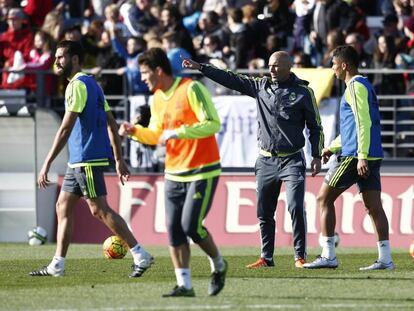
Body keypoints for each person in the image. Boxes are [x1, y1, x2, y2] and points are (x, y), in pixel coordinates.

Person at [182, 51, 324, 269]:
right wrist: (201, 67)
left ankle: (299, 256)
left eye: (276, 66)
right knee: (264, 213)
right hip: (265, 161)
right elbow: (230, 78)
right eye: (270, 66)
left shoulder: (303, 92)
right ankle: (266, 257)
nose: (272, 70)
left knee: (295, 207)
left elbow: (315, 126)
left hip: (292, 160)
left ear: (288, 66)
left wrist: (316, 154)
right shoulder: (260, 87)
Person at [29, 40, 153, 278]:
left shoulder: (76, 85)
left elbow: (65, 128)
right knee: (62, 206)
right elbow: (111, 123)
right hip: (78, 160)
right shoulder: (92, 84)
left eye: (61, 57)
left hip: (86, 159)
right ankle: (57, 264)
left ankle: (140, 253)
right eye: (56, 57)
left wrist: (46, 163)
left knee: (99, 210)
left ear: (75, 59)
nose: (56, 61)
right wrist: (119, 159)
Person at [118, 48, 227, 297]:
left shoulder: (191, 89)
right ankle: (184, 285)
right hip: (174, 172)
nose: (142, 78)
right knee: (174, 230)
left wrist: (179, 132)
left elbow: (213, 124)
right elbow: (157, 134)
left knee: (191, 226)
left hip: (202, 168)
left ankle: (219, 264)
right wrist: (135, 131)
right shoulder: (156, 98)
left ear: (158, 70)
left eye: (145, 73)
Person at [303, 45, 394, 270]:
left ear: (344, 65)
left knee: (323, 199)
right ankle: (385, 259)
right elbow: (353, 126)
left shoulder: (354, 87)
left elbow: (363, 122)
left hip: (356, 155)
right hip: (371, 153)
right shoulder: (365, 85)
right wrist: (333, 147)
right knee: (373, 206)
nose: (332, 69)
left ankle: (328, 255)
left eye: (334, 65)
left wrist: (360, 156)